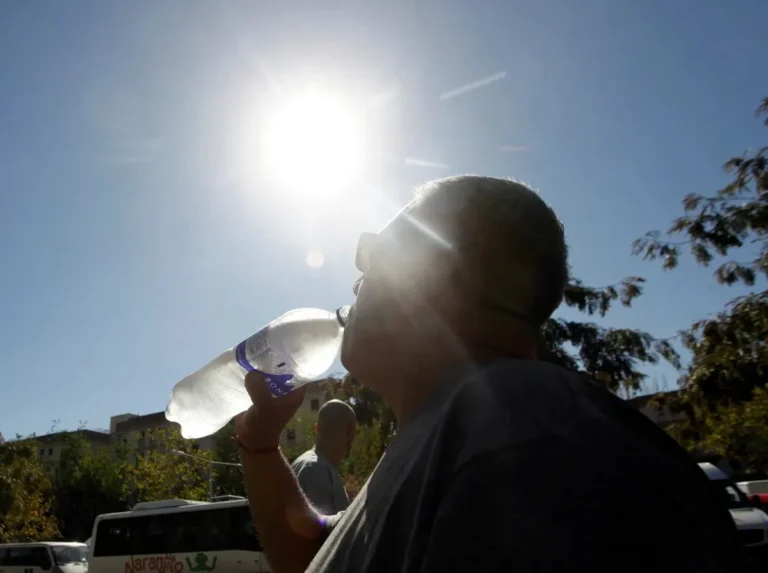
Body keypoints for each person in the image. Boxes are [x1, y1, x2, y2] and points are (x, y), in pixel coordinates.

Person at [235, 176, 744, 572]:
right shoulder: (471, 432)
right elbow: (322, 554)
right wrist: (260, 446)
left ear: (432, 275)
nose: (355, 278)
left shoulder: (529, 437)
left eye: (373, 255)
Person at [291, 399, 356, 514]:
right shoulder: (317, 471)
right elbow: (324, 530)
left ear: (316, 429)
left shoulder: (304, 463)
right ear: (350, 432)